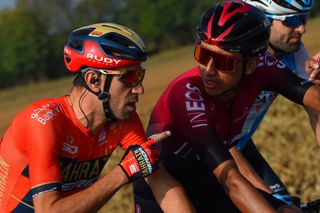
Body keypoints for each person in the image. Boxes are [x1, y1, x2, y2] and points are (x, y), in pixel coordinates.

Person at [133, 1, 320, 212]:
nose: (208, 70)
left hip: (211, 184)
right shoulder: (186, 94)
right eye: (203, 55)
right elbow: (232, 180)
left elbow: (315, 99)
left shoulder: (264, 67)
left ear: (251, 65)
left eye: (223, 62)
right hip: (166, 193)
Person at [0, 23, 173, 212]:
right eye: (131, 78)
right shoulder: (44, 123)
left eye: (141, 76)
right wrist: (123, 172)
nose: (140, 89)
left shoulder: (123, 120)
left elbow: (161, 183)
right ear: (94, 80)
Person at [237, 0, 320, 205]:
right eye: (291, 20)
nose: (302, 28)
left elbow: (315, 110)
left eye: (303, 18)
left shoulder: (294, 51)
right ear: (263, 21)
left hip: (241, 146)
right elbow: (217, 142)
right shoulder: (239, 61)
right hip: (209, 155)